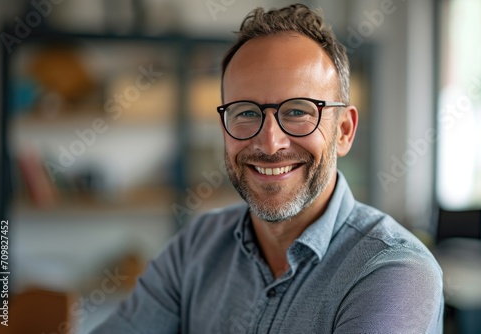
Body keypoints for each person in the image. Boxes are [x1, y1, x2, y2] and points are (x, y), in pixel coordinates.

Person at [92, 4, 443, 333]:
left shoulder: (394, 270)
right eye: (245, 112)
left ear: (344, 131)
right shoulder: (196, 248)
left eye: (298, 111)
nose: (270, 143)